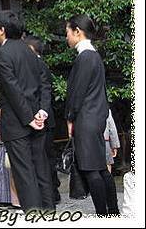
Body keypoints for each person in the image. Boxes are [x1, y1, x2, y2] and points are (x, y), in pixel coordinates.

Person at [0, 11, 54, 212]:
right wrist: (42, 112)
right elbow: (45, 83)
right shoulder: (31, 52)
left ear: (2, 30)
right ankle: (49, 210)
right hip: (38, 119)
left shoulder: (3, 53)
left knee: (24, 172)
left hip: (18, 122)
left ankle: (35, 215)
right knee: (41, 167)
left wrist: (29, 118)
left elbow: (13, 90)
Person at [65, 14, 119, 216]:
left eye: (68, 33)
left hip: (86, 119)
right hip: (96, 118)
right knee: (101, 169)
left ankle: (104, 215)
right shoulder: (93, 55)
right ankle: (112, 212)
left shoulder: (85, 56)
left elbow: (77, 93)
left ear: (77, 32)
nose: (67, 37)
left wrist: (70, 118)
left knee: (91, 170)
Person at [24, 35, 61, 204]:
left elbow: (44, 91)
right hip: (45, 118)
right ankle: (53, 193)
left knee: (46, 159)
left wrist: (40, 113)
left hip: (43, 119)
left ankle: (51, 194)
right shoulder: (39, 64)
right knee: (47, 158)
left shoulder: (38, 64)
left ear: (32, 50)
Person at [104, 109, 120, 173]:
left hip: (87, 142)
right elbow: (112, 128)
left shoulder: (83, 108)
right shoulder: (105, 110)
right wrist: (114, 146)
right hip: (104, 141)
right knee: (107, 164)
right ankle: (107, 182)